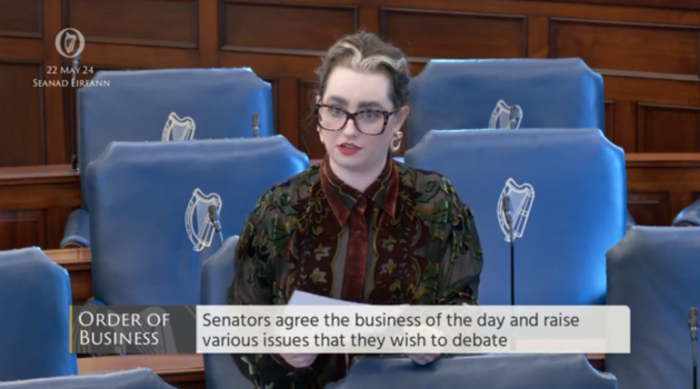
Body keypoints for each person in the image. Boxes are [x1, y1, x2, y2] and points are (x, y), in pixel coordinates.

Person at [227, 31, 483, 389]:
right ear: (319, 112)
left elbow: (464, 307)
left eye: (369, 113)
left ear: (397, 120)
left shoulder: (439, 202)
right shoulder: (277, 209)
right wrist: (276, 345)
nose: (348, 129)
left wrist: (442, 331)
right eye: (335, 109)